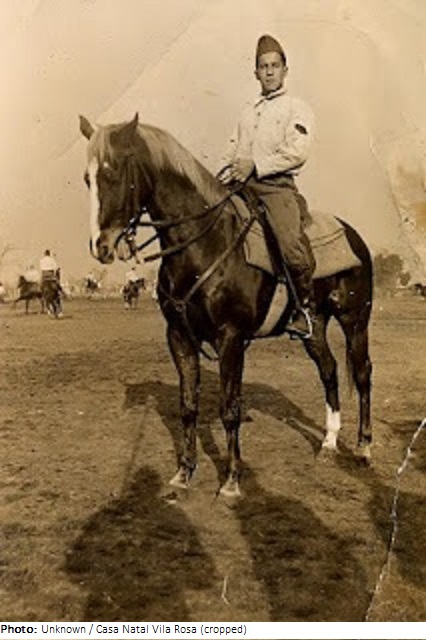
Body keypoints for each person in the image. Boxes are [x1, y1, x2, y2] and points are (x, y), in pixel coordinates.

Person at [219, 34, 316, 338]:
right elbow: (231, 149)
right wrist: (221, 175)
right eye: (264, 67)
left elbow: (297, 151)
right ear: (256, 73)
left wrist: (256, 165)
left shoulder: (297, 108)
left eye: (275, 66)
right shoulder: (247, 112)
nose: (270, 71)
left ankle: (304, 309)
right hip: (240, 185)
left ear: (285, 70)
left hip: (276, 187)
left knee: (290, 244)